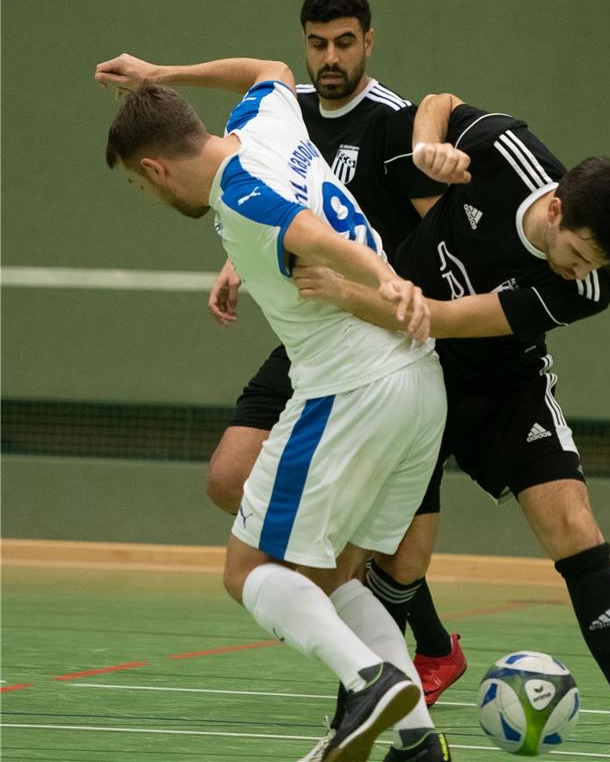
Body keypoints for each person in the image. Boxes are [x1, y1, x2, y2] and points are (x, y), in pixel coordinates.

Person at [294, 92, 610, 762]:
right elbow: (437, 102)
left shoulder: (585, 289)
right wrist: (430, 145)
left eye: (599, 264)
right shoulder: (505, 151)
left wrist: (349, 295)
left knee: (574, 527)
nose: (582, 271)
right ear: (556, 208)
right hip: (411, 373)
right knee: (394, 562)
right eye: (579, 251)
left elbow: (443, 317)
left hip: (501, 384)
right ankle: (349, 721)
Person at [96, 56, 451, 762]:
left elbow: (307, 232)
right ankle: (416, 745)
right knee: (336, 575)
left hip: (354, 386)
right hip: (419, 386)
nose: (149, 194)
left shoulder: (239, 195)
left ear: (156, 169)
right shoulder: (261, 120)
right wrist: (159, 71)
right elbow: (272, 67)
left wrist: (391, 280)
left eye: (140, 185)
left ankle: (369, 679)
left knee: (247, 570)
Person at [204, 0, 467, 712]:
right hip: (313, 337)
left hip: (386, 336)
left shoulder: (390, 126)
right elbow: (276, 208)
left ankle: (402, 668)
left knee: (387, 559)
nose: (329, 58)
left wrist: (387, 294)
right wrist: (241, 260)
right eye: (317, 44)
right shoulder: (288, 110)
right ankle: (384, 678)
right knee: (231, 478)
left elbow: (439, 235)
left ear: (369, 42)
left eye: (344, 43)